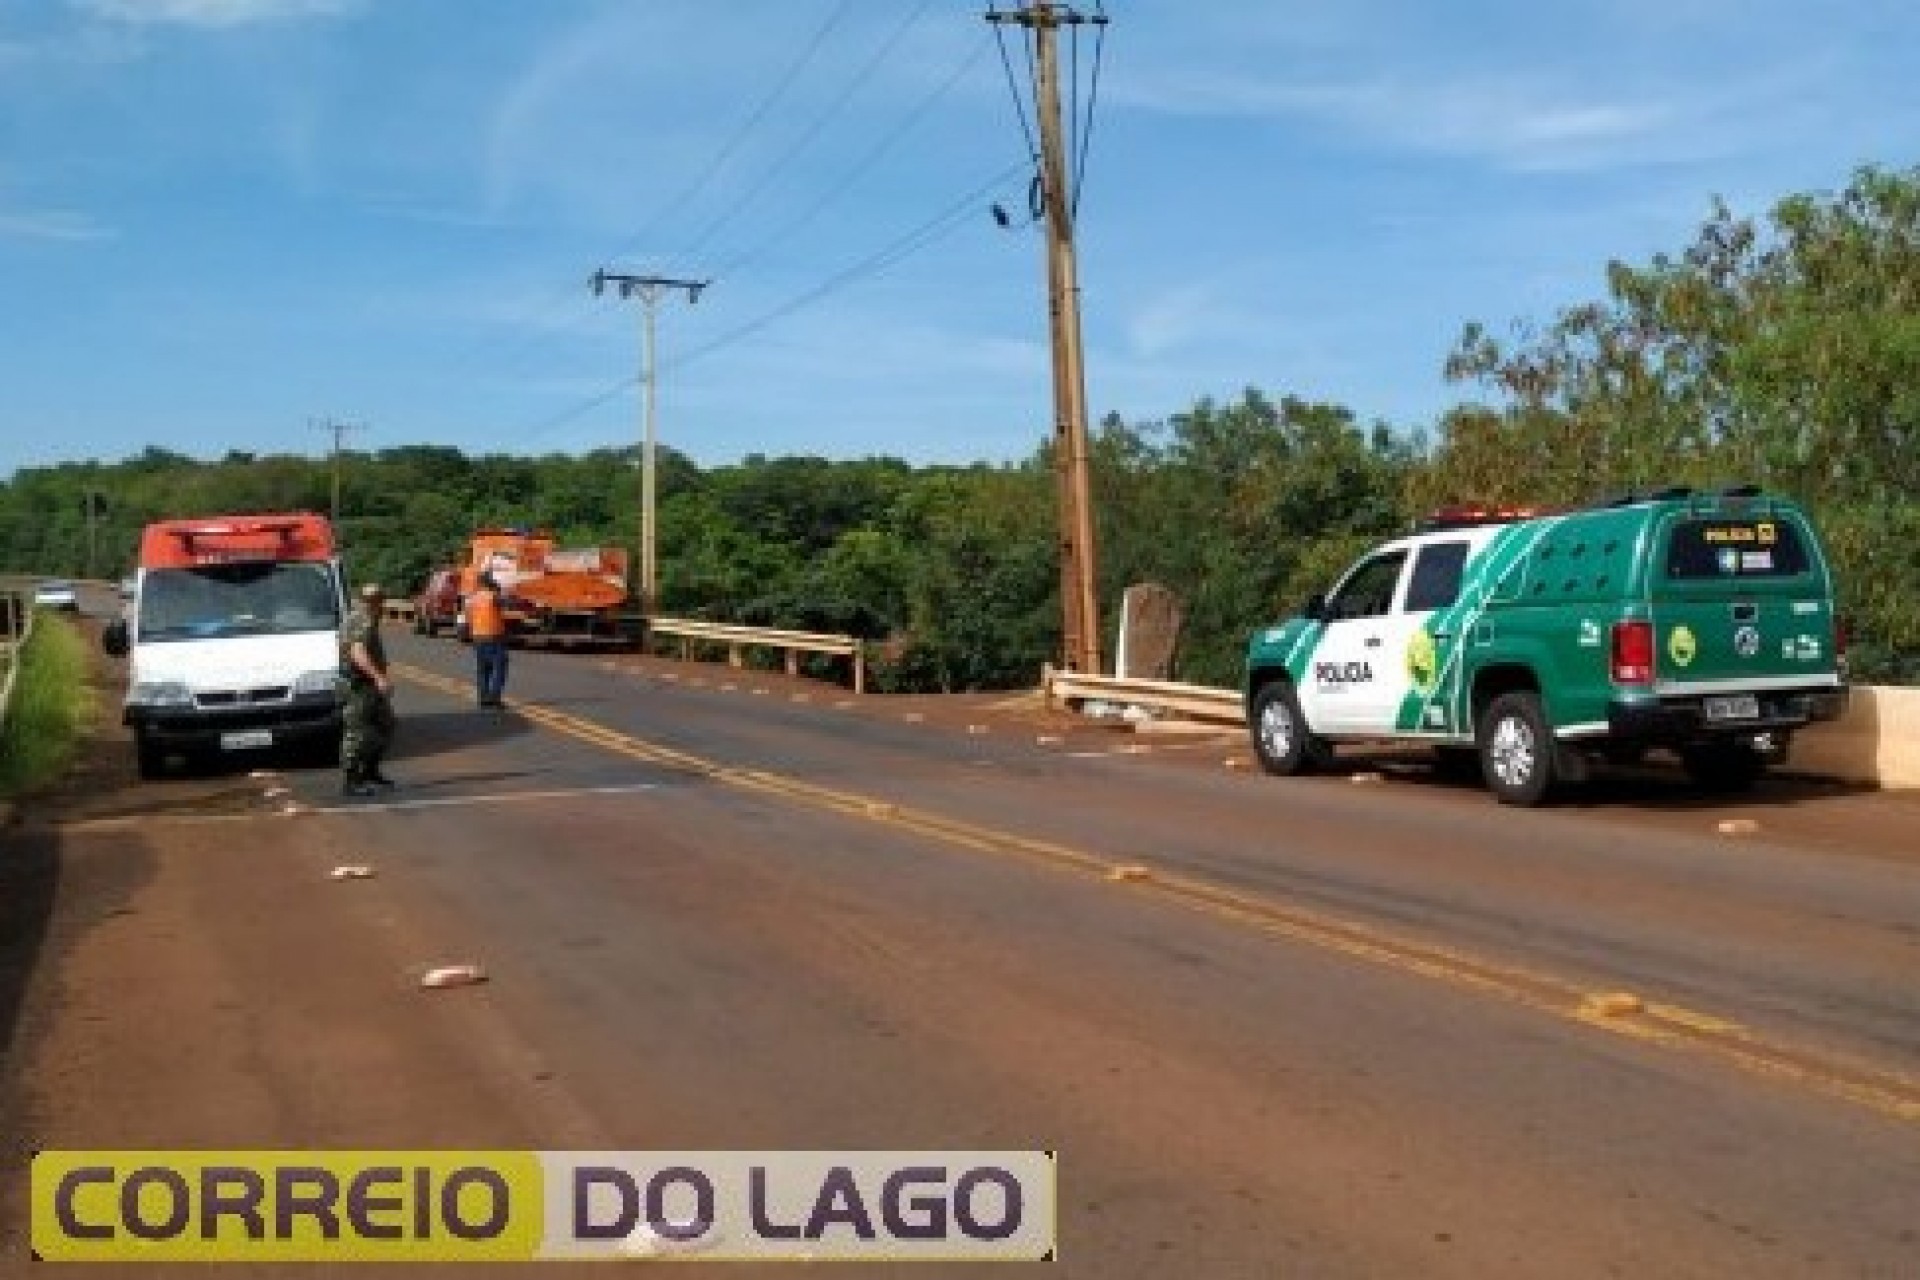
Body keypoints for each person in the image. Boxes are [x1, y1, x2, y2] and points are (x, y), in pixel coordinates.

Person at [340, 583, 397, 796]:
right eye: (374, 599)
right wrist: (379, 678)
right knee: (357, 733)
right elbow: (357, 652)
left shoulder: (369, 617)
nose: (379, 603)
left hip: (369, 684)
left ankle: (370, 771)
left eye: (379, 598)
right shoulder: (361, 619)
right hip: (358, 684)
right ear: (366, 600)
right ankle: (351, 781)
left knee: (386, 725)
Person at [467, 571, 509, 708]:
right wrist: (500, 590)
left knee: (483, 668)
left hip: (477, 636)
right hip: (493, 636)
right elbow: (506, 604)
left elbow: (469, 617)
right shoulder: (493, 597)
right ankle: (495, 698)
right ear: (489, 582)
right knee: (499, 667)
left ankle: (483, 698)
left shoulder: (473, 598)